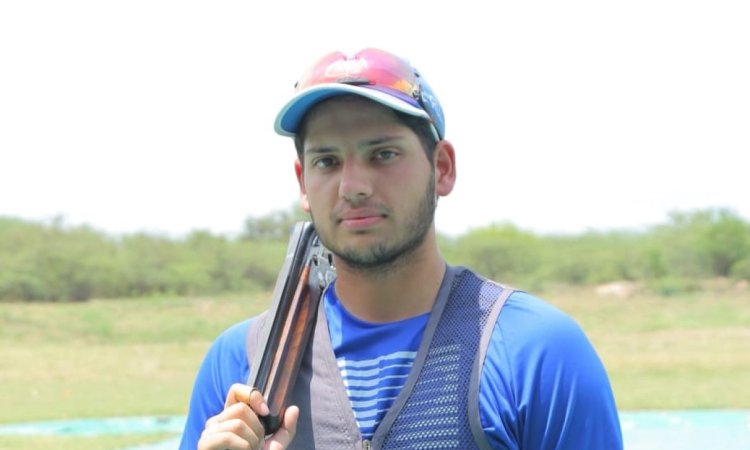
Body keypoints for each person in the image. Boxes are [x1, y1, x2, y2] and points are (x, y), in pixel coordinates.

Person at [180, 48, 623, 450]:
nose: (353, 186)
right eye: (327, 162)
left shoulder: (536, 350)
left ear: (442, 168)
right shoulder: (242, 363)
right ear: (303, 183)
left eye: (384, 155)